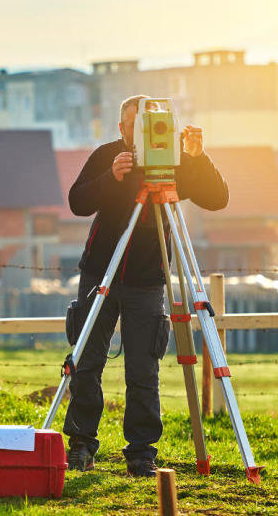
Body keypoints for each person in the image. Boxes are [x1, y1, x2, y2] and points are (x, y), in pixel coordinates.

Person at [64, 95, 229, 477]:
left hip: (147, 280)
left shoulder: (173, 161)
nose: (143, 134)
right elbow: (77, 203)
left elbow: (218, 199)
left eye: (151, 125)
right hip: (99, 274)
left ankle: (141, 453)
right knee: (86, 362)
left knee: (143, 369)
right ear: (122, 129)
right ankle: (81, 445)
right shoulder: (108, 155)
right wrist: (112, 178)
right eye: (134, 126)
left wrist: (197, 157)